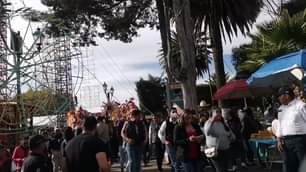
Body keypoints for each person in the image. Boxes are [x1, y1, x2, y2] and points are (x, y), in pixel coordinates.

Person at [277, 87, 306, 172]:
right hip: (286, 142)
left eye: (279, 96)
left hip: (300, 140)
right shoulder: (281, 108)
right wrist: (278, 138)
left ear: (287, 95)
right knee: (289, 165)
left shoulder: (300, 105)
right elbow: (280, 124)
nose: (278, 98)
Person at [204, 108, 236, 172]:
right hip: (215, 151)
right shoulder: (209, 122)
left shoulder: (223, 122)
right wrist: (213, 120)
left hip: (226, 149)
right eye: (216, 112)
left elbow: (230, 133)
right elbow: (207, 132)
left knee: (225, 168)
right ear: (212, 114)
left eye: (219, 112)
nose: (218, 114)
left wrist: (231, 136)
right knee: (220, 169)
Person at [158, 108, 179, 172]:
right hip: (169, 144)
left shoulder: (179, 122)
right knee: (175, 161)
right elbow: (160, 133)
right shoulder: (166, 122)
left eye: (175, 112)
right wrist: (164, 141)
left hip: (178, 144)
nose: (174, 113)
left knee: (175, 162)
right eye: (172, 112)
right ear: (169, 113)